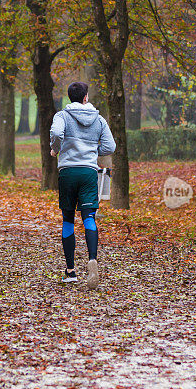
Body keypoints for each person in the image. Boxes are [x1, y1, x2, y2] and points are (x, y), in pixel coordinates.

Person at [50, 82, 116, 288]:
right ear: (86, 96)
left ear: (70, 97)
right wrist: (92, 152)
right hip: (89, 173)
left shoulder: (62, 116)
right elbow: (110, 146)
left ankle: (70, 271)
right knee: (89, 217)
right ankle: (92, 259)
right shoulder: (99, 119)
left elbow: (57, 134)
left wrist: (56, 149)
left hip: (68, 172)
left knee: (68, 219)